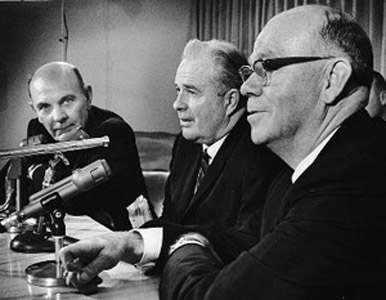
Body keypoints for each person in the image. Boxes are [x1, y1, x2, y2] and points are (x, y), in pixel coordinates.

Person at [157, 4, 386, 300]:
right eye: (250, 71)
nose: (247, 87)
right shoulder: (293, 178)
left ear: (332, 79)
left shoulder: (357, 183)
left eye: (267, 67)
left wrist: (187, 243)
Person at [59, 39, 285, 292]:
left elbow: (245, 243)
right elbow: (173, 219)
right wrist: (135, 249)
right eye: (177, 90)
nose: (177, 103)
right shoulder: (187, 144)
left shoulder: (260, 151)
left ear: (231, 101)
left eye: (191, 91)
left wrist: (136, 243)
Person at [25, 61, 147, 230]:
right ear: (35, 110)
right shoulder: (37, 128)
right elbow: (21, 190)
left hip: (119, 235)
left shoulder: (114, 132)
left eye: (67, 101)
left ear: (88, 97)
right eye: (45, 107)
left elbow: (75, 202)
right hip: (62, 232)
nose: (58, 117)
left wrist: (37, 172)